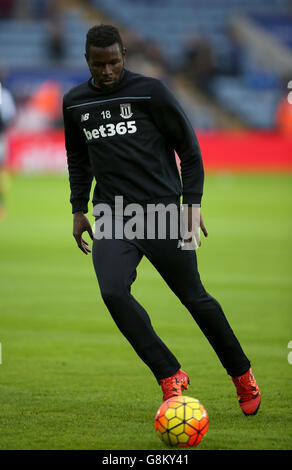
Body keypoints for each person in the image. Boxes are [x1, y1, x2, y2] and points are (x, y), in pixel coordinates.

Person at [62, 24, 261, 416]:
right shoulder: (74, 103)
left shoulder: (151, 91)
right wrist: (78, 209)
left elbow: (188, 147)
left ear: (124, 57)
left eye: (113, 62)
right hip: (114, 216)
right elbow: (78, 160)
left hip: (163, 213)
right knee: (113, 292)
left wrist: (193, 203)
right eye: (99, 64)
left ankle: (241, 374)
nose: (106, 71)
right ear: (87, 60)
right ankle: (170, 374)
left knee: (195, 299)